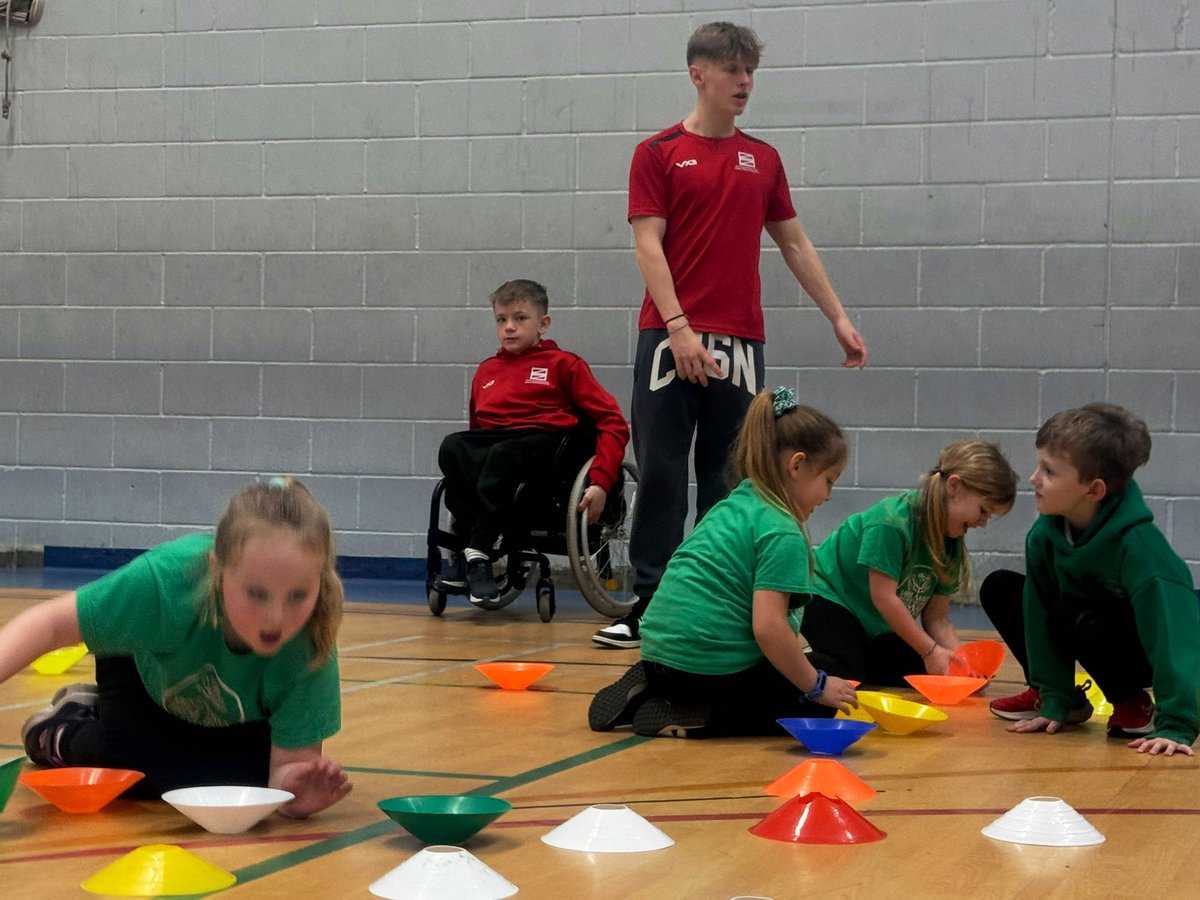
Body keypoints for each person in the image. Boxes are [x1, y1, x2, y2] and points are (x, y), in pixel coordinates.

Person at [593, 21, 868, 650]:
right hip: (669, 340)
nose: (744, 82)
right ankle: (651, 603)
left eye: (750, 71)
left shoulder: (763, 159)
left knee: (729, 477)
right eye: (732, 70)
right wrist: (680, 328)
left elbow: (793, 240)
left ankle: (715, 597)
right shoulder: (657, 152)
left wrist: (838, 317)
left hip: (741, 342)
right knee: (662, 472)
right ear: (699, 75)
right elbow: (647, 244)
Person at [3, 477, 351, 818]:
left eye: (298, 596)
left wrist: (294, 793)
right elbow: (49, 625)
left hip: (233, 720)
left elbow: (287, 770)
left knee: (242, 790)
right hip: (141, 674)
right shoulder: (167, 583)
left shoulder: (312, 642)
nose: (276, 619)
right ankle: (63, 726)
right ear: (218, 568)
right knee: (139, 774)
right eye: (256, 594)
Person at [588, 387, 859, 738]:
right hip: (701, 675)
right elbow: (769, 628)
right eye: (828, 481)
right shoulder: (782, 532)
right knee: (817, 698)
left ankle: (656, 686)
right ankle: (699, 716)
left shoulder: (736, 502)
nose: (828, 496)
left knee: (807, 667)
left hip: (658, 656)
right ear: (797, 466)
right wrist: (817, 686)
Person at [981, 403, 1199, 757]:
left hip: (1167, 635)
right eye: (1038, 465)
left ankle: (1132, 700)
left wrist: (1177, 724)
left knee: (1076, 610)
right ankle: (1064, 700)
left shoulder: (1140, 548)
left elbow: (1174, 634)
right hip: (1099, 624)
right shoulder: (1044, 535)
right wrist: (1054, 699)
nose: (1034, 478)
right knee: (1002, 588)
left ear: (1093, 490)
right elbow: (1038, 616)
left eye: (1049, 472)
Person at [436, 278, 630, 604]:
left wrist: (601, 480)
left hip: (548, 447)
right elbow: (477, 430)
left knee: (503, 453)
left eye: (520, 318)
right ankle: (468, 548)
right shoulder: (486, 371)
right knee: (454, 447)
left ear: (543, 323)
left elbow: (613, 424)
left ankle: (478, 553)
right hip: (501, 447)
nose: (509, 327)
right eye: (501, 320)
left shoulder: (565, 365)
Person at [803, 440, 1018, 685]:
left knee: (921, 671)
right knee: (849, 673)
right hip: (826, 597)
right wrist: (929, 650)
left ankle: (848, 655)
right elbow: (884, 598)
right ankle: (789, 665)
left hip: (872, 622)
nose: (984, 522)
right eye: (983, 510)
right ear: (954, 486)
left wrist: (962, 666)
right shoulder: (891, 522)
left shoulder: (951, 541)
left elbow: (937, 619)